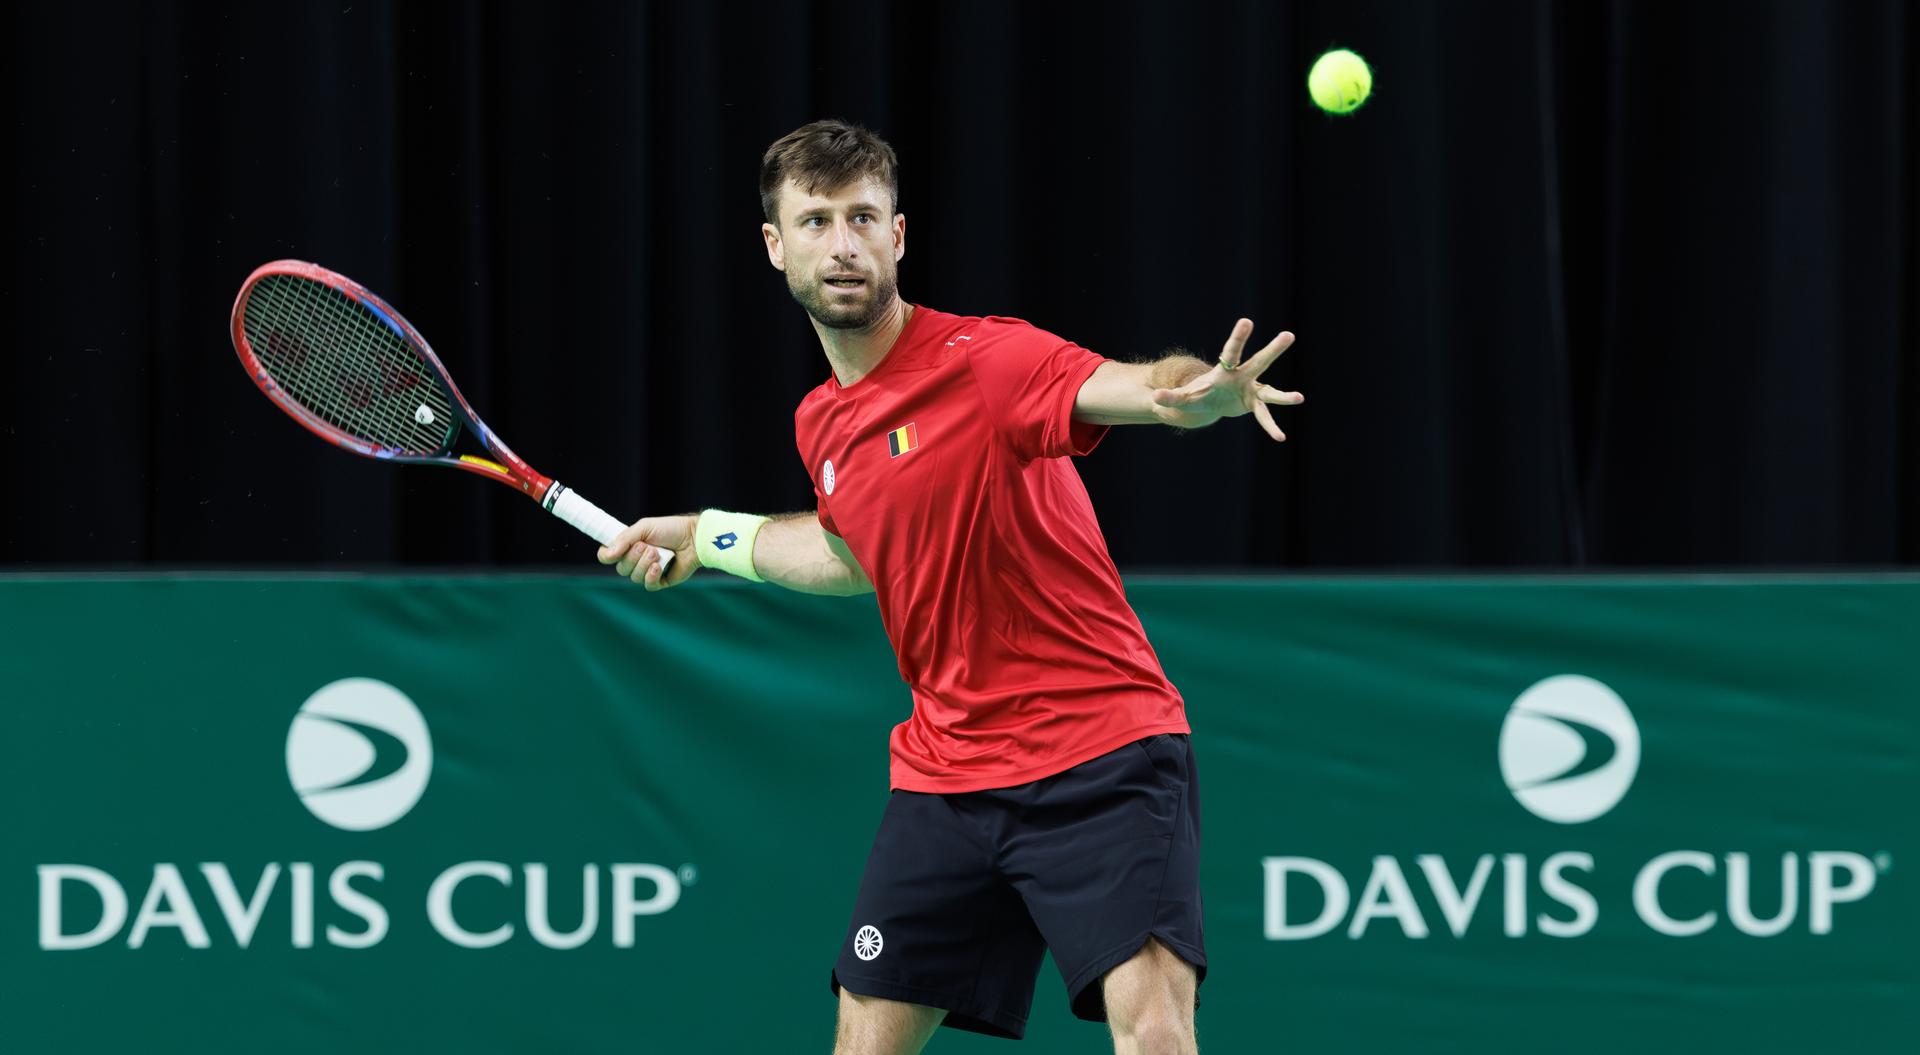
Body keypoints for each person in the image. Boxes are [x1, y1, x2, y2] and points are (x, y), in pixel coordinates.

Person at [598, 120, 1302, 1055]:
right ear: (776, 246)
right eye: (815, 221)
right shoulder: (822, 421)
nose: (842, 243)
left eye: (862, 218)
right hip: (948, 773)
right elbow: (855, 557)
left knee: (1156, 1031)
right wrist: (710, 539)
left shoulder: (987, 360)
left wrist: (1198, 394)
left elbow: (1130, 387)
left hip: (1100, 752)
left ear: (898, 235)